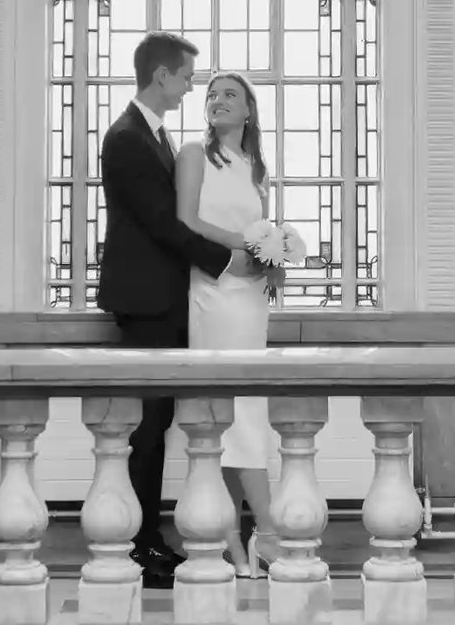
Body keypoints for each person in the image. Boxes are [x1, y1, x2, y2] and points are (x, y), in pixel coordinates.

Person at [95, 31, 240, 589]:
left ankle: (148, 538)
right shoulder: (127, 138)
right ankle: (139, 545)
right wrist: (230, 260)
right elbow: (162, 223)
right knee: (148, 427)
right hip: (145, 301)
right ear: (161, 76)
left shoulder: (152, 134)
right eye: (184, 78)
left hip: (165, 299)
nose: (188, 89)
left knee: (158, 427)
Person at [175, 71, 283, 578]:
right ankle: (272, 532)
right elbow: (188, 223)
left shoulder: (256, 168)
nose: (218, 101)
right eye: (212, 95)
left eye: (230, 95)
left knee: (248, 413)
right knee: (232, 417)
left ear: (248, 111)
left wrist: (274, 256)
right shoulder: (195, 156)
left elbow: (266, 230)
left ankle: (236, 543)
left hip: (251, 298)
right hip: (215, 295)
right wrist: (243, 247)